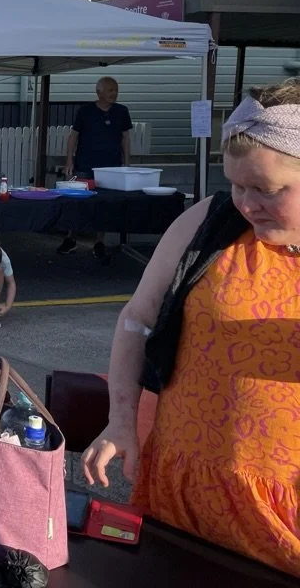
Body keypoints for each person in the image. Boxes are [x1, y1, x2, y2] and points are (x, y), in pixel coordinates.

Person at [81, 79, 300, 577]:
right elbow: (137, 320)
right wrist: (121, 419)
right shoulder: (211, 222)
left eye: (266, 189)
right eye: (236, 184)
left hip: (285, 517)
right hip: (184, 490)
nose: (245, 203)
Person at [59, 76, 133, 261]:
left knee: (105, 203)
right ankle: (71, 238)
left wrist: (127, 163)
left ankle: (99, 242)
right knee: (79, 202)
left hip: (111, 167)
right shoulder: (85, 111)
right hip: (85, 164)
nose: (114, 94)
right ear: (98, 92)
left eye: (116, 90)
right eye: (110, 90)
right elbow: (73, 136)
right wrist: (69, 161)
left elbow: (126, 138)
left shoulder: (122, 112)